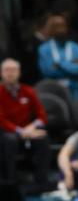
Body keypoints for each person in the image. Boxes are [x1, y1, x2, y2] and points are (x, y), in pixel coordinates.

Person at [0, 58, 51, 193]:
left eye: (13, 70)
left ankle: (41, 183)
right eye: (7, 70)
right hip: (7, 131)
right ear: (1, 73)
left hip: (28, 130)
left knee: (43, 138)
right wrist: (20, 131)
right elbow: (1, 119)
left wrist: (31, 128)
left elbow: (42, 116)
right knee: (9, 140)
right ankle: (10, 183)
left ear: (19, 72)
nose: (10, 73)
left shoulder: (28, 91)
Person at [36, 13, 78, 99]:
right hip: (52, 93)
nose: (60, 29)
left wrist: (60, 64)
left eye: (62, 25)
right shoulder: (44, 49)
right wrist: (72, 63)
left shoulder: (75, 47)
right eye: (56, 26)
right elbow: (48, 71)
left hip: (73, 92)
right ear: (51, 28)